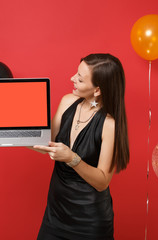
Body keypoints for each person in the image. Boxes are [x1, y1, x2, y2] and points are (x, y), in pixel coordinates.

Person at [33, 53, 130, 240]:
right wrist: (11, 137)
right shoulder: (67, 101)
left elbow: (102, 182)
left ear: (97, 91)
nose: (72, 79)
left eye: (80, 78)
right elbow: (48, 144)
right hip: (55, 214)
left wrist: (71, 158)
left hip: (89, 221)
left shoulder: (109, 124)